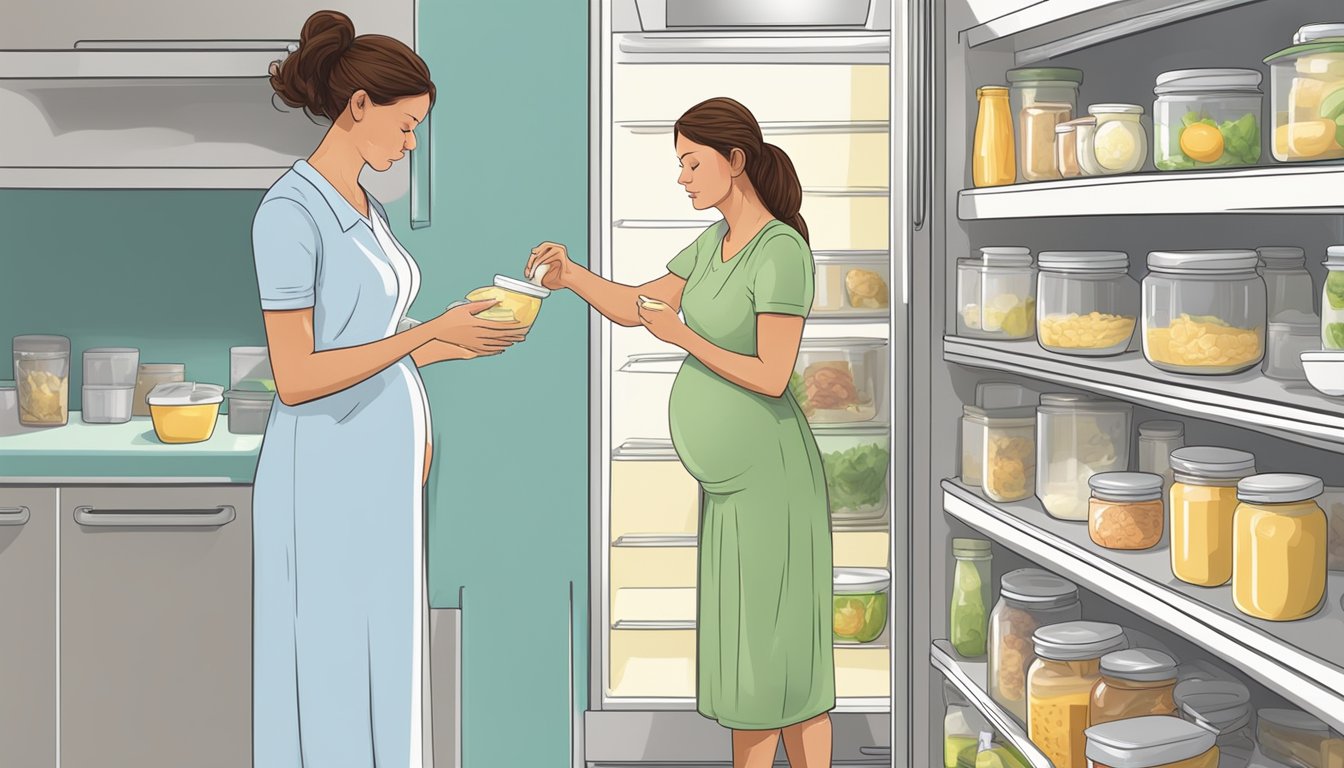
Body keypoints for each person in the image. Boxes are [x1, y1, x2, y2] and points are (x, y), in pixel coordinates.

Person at [249, 10, 527, 766]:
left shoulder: (366, 210)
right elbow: (299, 377)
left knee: (385, 658)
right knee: (333, 666)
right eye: (405, 127)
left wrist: (450, 340)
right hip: (325, 478)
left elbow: (368, 350)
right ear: (359, 106)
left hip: (379, 479)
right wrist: (425, 334)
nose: (410, 145)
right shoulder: (289, 213)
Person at [527, 96, 834, 768]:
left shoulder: (779, 250)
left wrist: (687, 338)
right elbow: (640, 307)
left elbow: (773, 376)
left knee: (783, 662)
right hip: (732, 489)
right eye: (678, 164)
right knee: (746, 666)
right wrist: (570, 275)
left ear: (735, 161)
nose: (682, 177)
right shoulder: (714, 244)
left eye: (692, 162)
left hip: (773, 485)